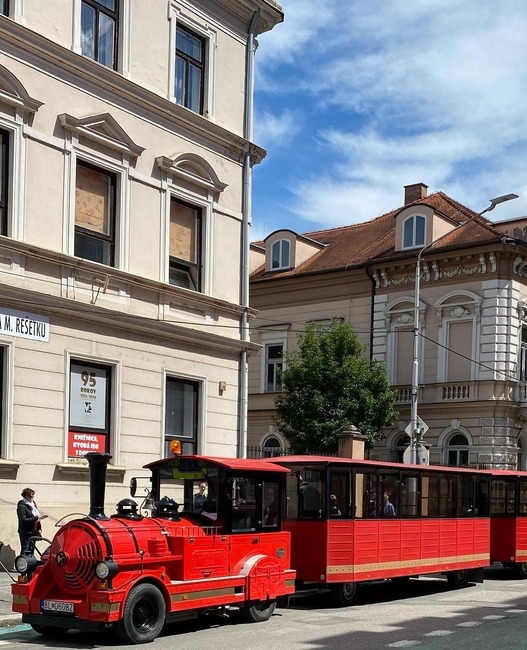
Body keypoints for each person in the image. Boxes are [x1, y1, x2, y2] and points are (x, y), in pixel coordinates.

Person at [17, 487, 48, 554]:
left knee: (31, 549)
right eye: (31, 495)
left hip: (33, 530)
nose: (33, 497)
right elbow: (23, 519)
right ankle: (22, 563)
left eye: (33, 494)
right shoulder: (22, 506)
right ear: (26, 496)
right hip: (26, 532)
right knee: (25, 549)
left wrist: (40, 517)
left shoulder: (32, 504)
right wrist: (37, 517)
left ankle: (30, 563)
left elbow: (34, 516)